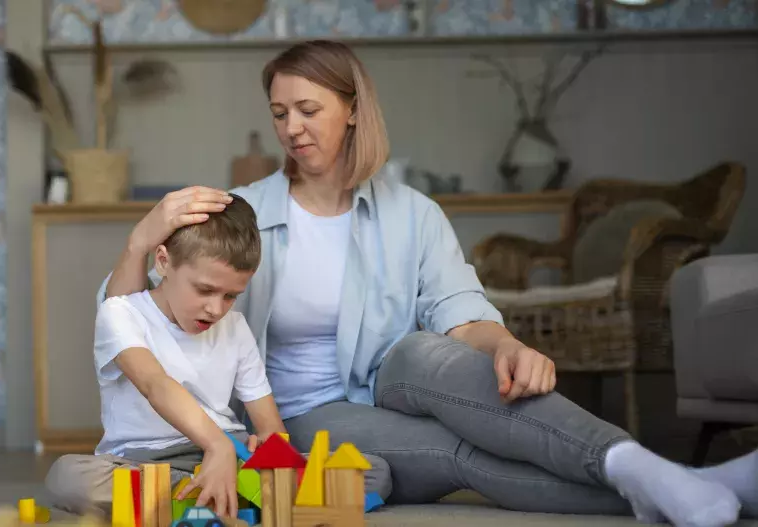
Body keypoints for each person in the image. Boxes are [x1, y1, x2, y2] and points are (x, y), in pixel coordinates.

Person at [97, 40, 757, 527]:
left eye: (307, 108)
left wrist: (504, 347)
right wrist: (139, 236)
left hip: (395, 379)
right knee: (459, 451)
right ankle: (670, 479)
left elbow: (460, 311)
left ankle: (648, 471)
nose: (291, 128)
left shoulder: (412, 213)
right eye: (279, 113)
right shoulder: (241, 211)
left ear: (353, 110)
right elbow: (130, 311)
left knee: (430, 349)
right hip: (298, 416)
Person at [44, 195, 392, 518]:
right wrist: (215, 447)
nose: (215, 309)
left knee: (374, 471)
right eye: (205, 290)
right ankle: (230, 499)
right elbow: (155, 384)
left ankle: (213, 499)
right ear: (163, 262)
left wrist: (271, 456)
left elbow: (270, 425)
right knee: (69, 477)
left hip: (232, 452)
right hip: (146, 462)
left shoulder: (235, 328)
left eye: (230, 296)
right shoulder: (120, 313)